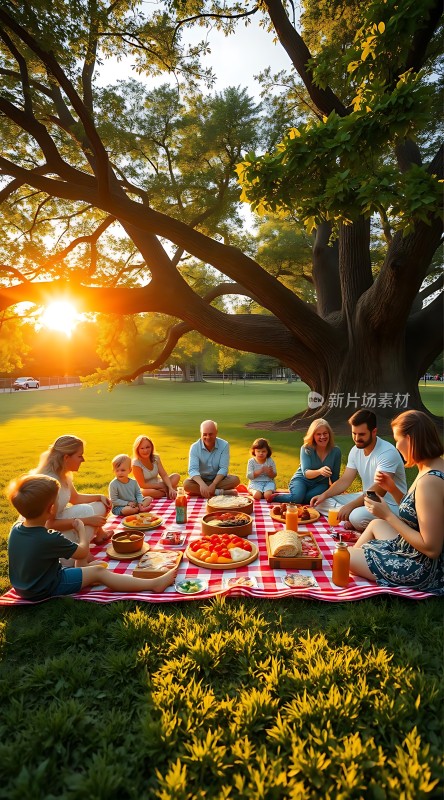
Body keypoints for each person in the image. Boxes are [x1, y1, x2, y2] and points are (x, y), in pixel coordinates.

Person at [7, 474, 177, 601]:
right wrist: (81, 529)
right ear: (52, 509)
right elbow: (82, 552)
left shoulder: (16, 529)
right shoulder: (49, 538)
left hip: (24, 587)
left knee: (90, 566)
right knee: (98, 572)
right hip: (46, 587)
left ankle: (86, 575)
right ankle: (154, 584)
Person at [349, 410, 443, 593]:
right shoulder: (432, 467)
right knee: (376, 524)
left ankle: (358, 562)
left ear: (410, 439)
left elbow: (432, 548)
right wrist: (392, 488)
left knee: (342, 556)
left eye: (397, 439)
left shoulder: (429, 482)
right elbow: (417, 513)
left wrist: (388, 515)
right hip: (415, 552)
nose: (397, 446)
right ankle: (362, 561)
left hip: (423, 568)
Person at [311, 409, 407, 531]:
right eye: (354, 433)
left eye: (361, 434)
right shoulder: (355, 450)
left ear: (374, 432)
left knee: (357, 517)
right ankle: (348, 515)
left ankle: (352, 516)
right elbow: (345, 480)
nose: (356, 438)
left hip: (390, 504)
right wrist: (323, 495)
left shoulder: (387, 452)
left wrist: (351, 506)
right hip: (366, 498)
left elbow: (379, 491)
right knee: (321, 503)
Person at [34, 435, 112, 563]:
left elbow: (75, 498)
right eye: (80, 455)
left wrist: (100, 496)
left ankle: (99, 535)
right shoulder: (50, 483)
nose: (83, 459)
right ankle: (81, 556)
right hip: (48, 535)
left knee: (99, 505)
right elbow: (48, 524)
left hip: (61, 520)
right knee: (86, 511)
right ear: (66, 458)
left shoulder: (64, 473)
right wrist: (87, 520)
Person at [273, 419, 341, 504]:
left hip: (321, 484)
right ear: (313, 436)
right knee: (297, 499)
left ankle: (300, 497)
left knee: (309, 499)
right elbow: (306, 473)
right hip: (302, 480)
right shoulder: (306, 448)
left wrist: (337, 491)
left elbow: (335, 477)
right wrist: (320, 471)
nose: (322, 437)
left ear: (329, 434)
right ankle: (275, 497)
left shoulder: (336, 451)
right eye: (318, 434)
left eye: (325, 433)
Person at [183, 420, 240, 498]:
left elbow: (223, 468)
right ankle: (221, 492)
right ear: (201, 434)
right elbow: (192, 470)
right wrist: (202, 485)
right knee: (186, 484)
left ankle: (200, 492)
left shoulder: (224, 445)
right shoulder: (194, 447)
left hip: (218, 479)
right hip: (201, 479)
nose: (207, 437)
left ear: (216, 432)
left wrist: (214, 484)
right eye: (204, 434)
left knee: (235, 480)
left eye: (210, 434)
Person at [132, 436, 180, 500]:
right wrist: (160, 486)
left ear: (152, 447)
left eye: (147, 447)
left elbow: (164, 475)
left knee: (176, 476)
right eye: (142, 448)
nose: (145, 450)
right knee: (144, 492)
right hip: (146, 488)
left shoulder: (156, 458)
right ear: (137, 449)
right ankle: (167, 491)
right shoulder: (136, 463)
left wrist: (170, 487)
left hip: (159, 482)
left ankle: (169, 489)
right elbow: (142, 485)